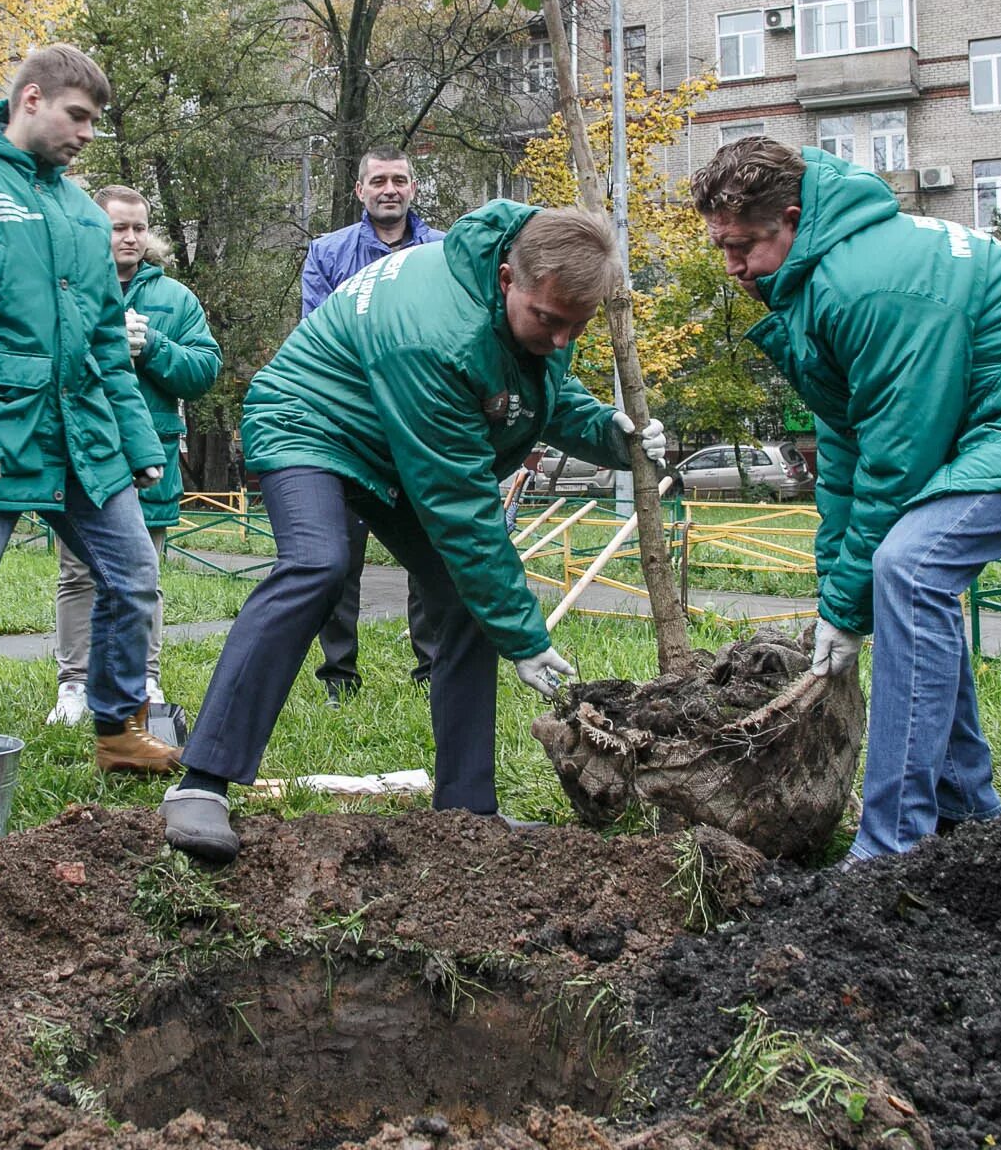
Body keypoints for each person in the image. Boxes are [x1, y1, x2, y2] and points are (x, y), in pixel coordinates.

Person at [690, 137, 1001, 860]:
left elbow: (897, 462)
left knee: (911, 568)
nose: (732, 267)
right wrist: (836, 592)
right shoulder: (821, 283)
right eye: (722, 246)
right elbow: (846, 451)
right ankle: (965, 807)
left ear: (791, 219)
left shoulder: (867, 284)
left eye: (743, 246)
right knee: (904, 573)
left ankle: (891, 845)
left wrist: (850, 607)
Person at [161, 203, 666, 863]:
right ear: (508, 278)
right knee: (318, 564)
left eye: (579, 324)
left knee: (463, 598)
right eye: (550, 319)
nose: (563, 337)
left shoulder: (531, 299)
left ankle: (467, 810)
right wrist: (524, 637)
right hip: (309, 421)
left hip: (391, 441)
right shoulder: (441, 333)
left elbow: (535, 389)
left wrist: (609, 432)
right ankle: (202, 782)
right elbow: (461, 506)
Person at [0, 43, 179, 773]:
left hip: (83, 435)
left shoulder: (82, 212)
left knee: (134, 576)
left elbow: (106, 340)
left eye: (94, 121)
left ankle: (118, 732)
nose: (87, 133)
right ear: (30, 99)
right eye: (76, 116)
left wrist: (138, 442)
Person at [48, 184, 222, 726]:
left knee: (146, 575)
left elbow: (205, 371)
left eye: (139, 227)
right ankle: (74, 685)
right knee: (78, 574)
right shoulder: (65, 285)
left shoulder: (175, 298)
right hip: (84, 452)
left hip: (151, 458)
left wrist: (154, 349)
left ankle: (144, 677)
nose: (129, 237)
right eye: (117, 227)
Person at [298, 151, 443, 702]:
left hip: (422, 421)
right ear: (360, 190)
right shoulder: (328, 253)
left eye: (399, 180)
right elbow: (317, 335)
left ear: (413, 188)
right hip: (349, 424)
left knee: (431, 553)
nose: (389, 189)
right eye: (378, 180)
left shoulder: (444, 250)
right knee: (341, 557)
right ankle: (339, 677)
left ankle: (433, 672)